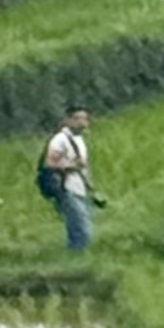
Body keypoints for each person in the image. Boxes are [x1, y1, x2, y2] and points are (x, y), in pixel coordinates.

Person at [38, 106, 100, 254]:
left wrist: (88, 183)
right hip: (66, 187)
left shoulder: (79, 140)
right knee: (81, 228)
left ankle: (77, 255)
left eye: (85, 119)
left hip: (80, 188)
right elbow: (50, 163)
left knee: (83, 223)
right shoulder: (60, 139)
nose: (83, 122)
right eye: (78, 118)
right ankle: (77, 256)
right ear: (68, 120)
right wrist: (73, 165)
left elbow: (83, 165)